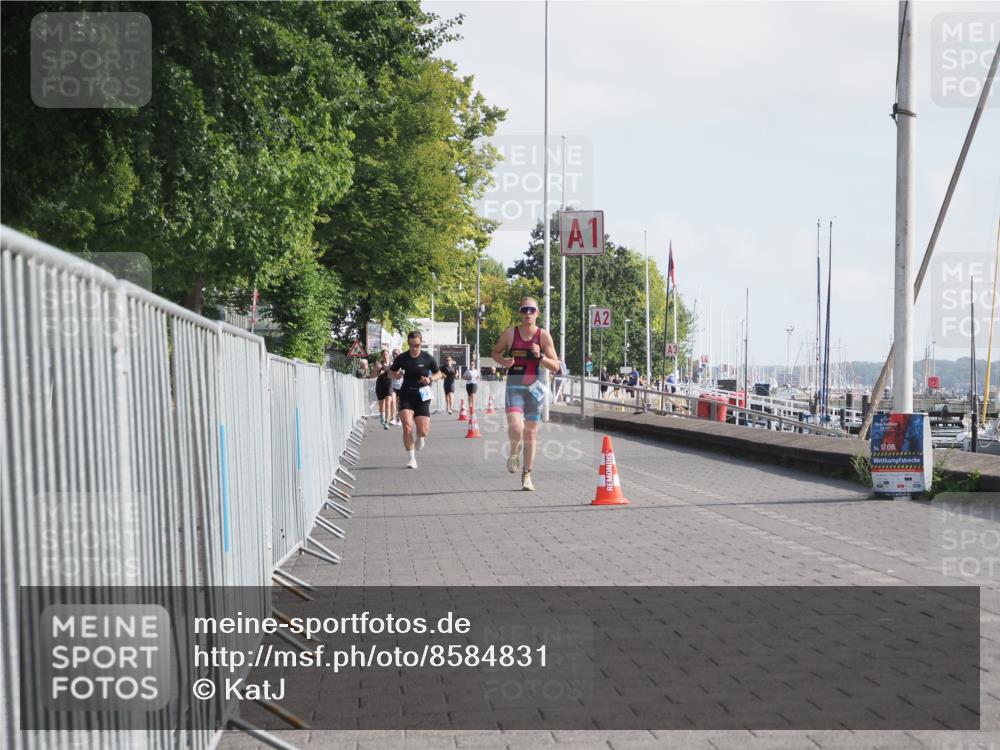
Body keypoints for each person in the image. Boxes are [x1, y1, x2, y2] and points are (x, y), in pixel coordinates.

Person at [491, 297, 559, 491]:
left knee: (530, 432)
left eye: (531, 310)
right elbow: (495, 352)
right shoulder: (510, 333)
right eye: (524, 310)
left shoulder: (543, 336)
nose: (528, 314)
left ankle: (527, 474)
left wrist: (541, 356)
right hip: (514, 386)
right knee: (515, 426)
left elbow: (556, 366)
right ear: (520, 313)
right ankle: (514, 450)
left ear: (537, 313)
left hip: (535, 388)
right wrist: (504, 362)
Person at [390, 332, 442, 469]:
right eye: (411, 345)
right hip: (406, 394)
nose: (414, 348)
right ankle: (411, 458)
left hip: (422, 396)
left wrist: (430, 379)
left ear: (421, 343)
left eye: (417, 345)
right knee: (407, 427)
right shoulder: (402, 358)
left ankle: (420, 437)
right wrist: (394, 375)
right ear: (408, 344)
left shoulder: (427, 358)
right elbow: (391, 372)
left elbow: (439, 373)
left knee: (423, 430)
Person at [374, 349, 394, 430]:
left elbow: (396, 372)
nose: (385, 356)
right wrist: (379, 373)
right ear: (381, 356)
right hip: (380, 385)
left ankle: (386, 423)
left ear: (389, 355)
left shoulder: (392, 364)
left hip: (389, 385)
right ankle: (382, 417)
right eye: (384, 355)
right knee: (381, 405)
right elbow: (374, 374)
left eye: (386, 354)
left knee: (388, 404)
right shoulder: (379, 364)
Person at [390, 348, 402, 426]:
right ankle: (393, 418)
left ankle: (399, 419)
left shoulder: (403, 363)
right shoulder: (391, 364)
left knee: (399, 404)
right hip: (392, 385)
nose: (395, 355)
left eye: (397, 353)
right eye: (394, 353)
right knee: (393, 402)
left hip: (401, 386)